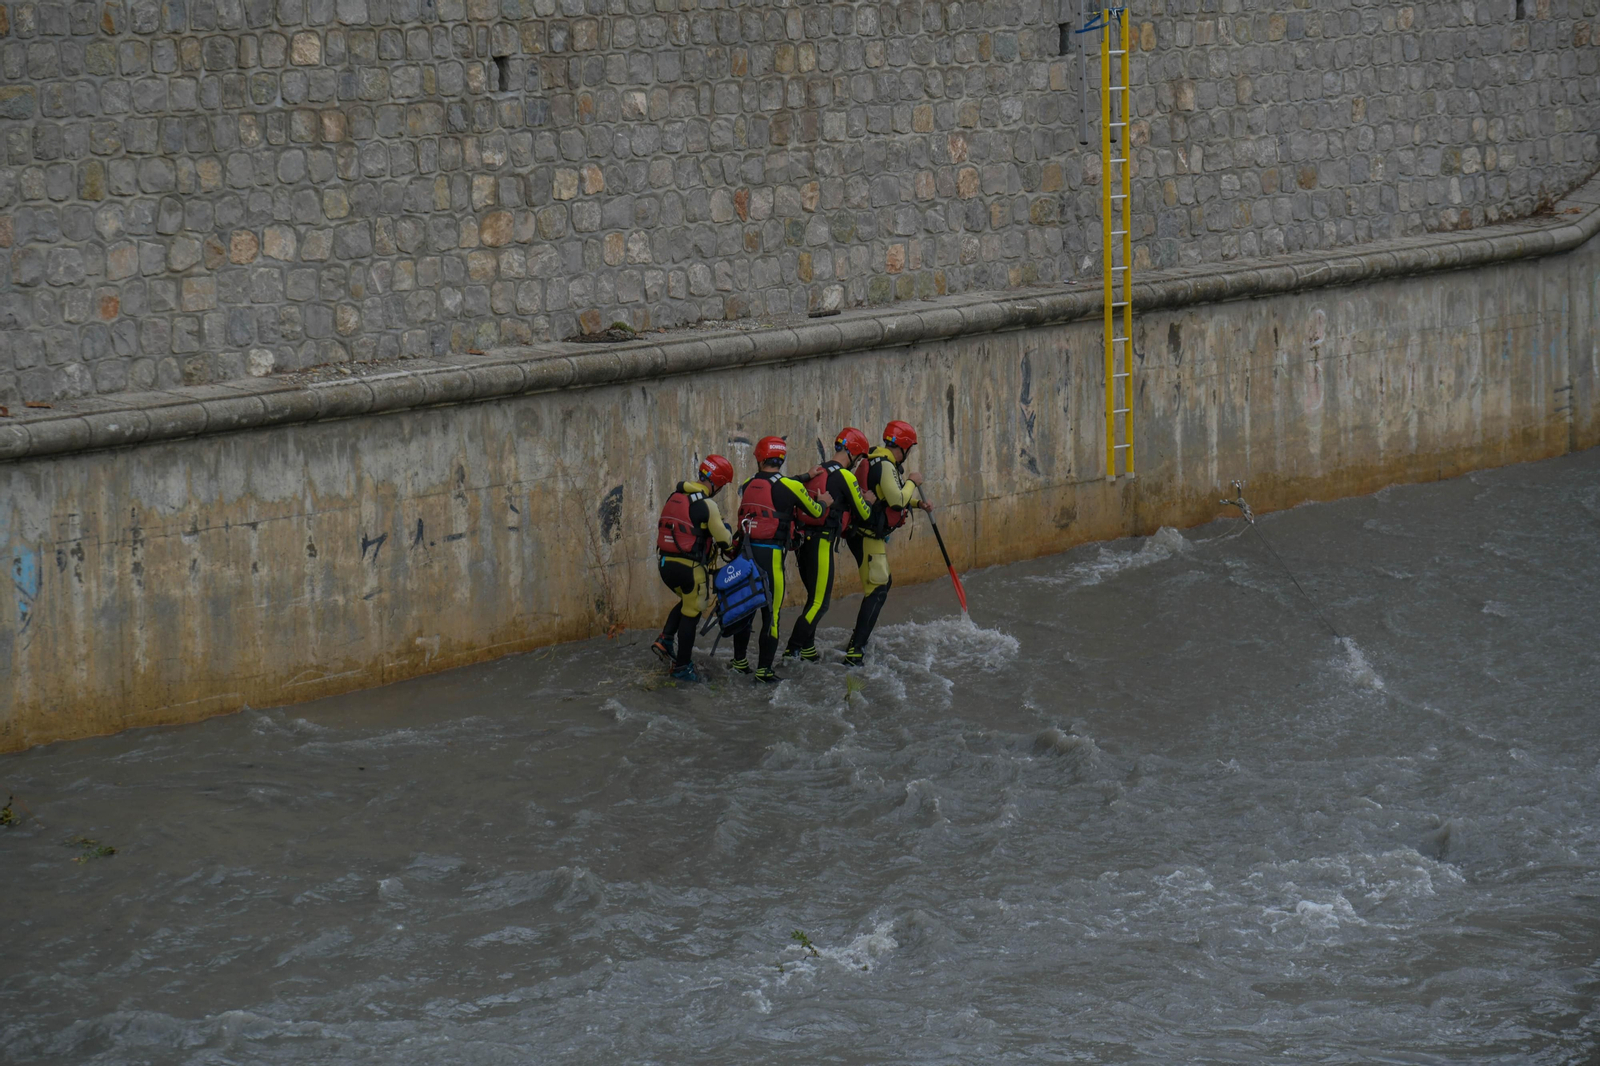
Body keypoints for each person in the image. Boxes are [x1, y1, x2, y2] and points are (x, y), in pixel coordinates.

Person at [729, 436, 830, 683]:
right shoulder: (789, 486)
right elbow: (815, 511)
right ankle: (764, 671)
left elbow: (775, 485)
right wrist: (824, 502)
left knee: (745, 609)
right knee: (771, 614)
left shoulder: (748, 483)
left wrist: (804, 476)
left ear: (760, 458)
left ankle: (739, 662)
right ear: (781, 458)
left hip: (745, 552)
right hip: (771, 556)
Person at [844, 420, 933, 666]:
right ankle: (855, 651)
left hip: (861, 534)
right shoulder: (884, 465)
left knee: (883, 584)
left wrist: (917, 504)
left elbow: (885, 496)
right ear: (904, 447)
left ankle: (857, 641)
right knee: (877, 590)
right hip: (868, 536)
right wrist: (914, 482)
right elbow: (895, 500)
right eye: (910, 449)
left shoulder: (874, 458)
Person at [784, 427, 874, 662]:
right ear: (853, 453)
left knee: (812, 598)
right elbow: (863, 514)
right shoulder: (845, 476)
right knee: (820, 604)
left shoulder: (817, 470)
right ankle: (791, 652)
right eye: (858, 457)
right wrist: (869, 501)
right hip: (821, 544)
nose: (857, 463)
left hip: (803, 544)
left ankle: (808, 651)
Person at [652, 454, 735, 682]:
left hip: (665, 565)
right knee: (694, 610)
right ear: (716, 482)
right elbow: (724, 540)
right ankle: (682, 668)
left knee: (686, 601)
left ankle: (666, 638)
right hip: (689, 567)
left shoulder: (676, 495)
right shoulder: (707, 504)